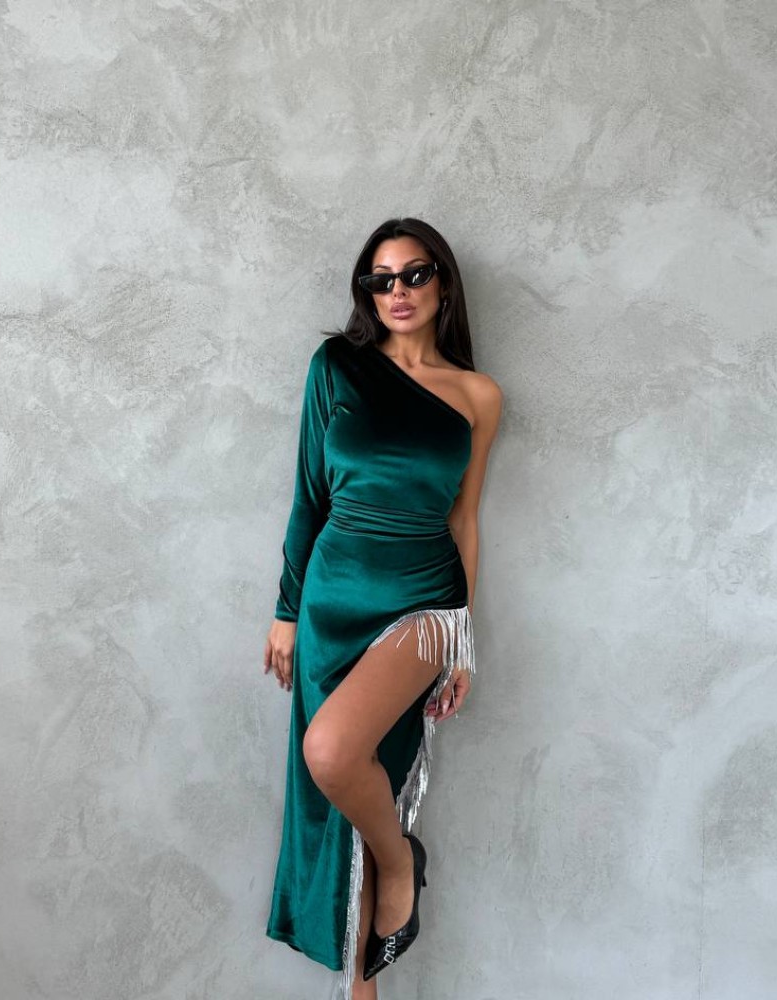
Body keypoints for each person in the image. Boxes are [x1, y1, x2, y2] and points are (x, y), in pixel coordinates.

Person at [262, 217, 503, 998]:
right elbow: (309, 496)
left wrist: (462, 643)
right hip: (332, 602)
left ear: (443, 282)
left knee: (334, 754)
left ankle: (401, 866)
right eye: (380, 279)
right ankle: (362, 986)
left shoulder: (478, 396)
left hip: (424, 603)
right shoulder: (336, 366)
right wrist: (287, 611)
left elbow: (464, 520)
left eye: (414, 273)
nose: (397, 291)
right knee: (352, 796)